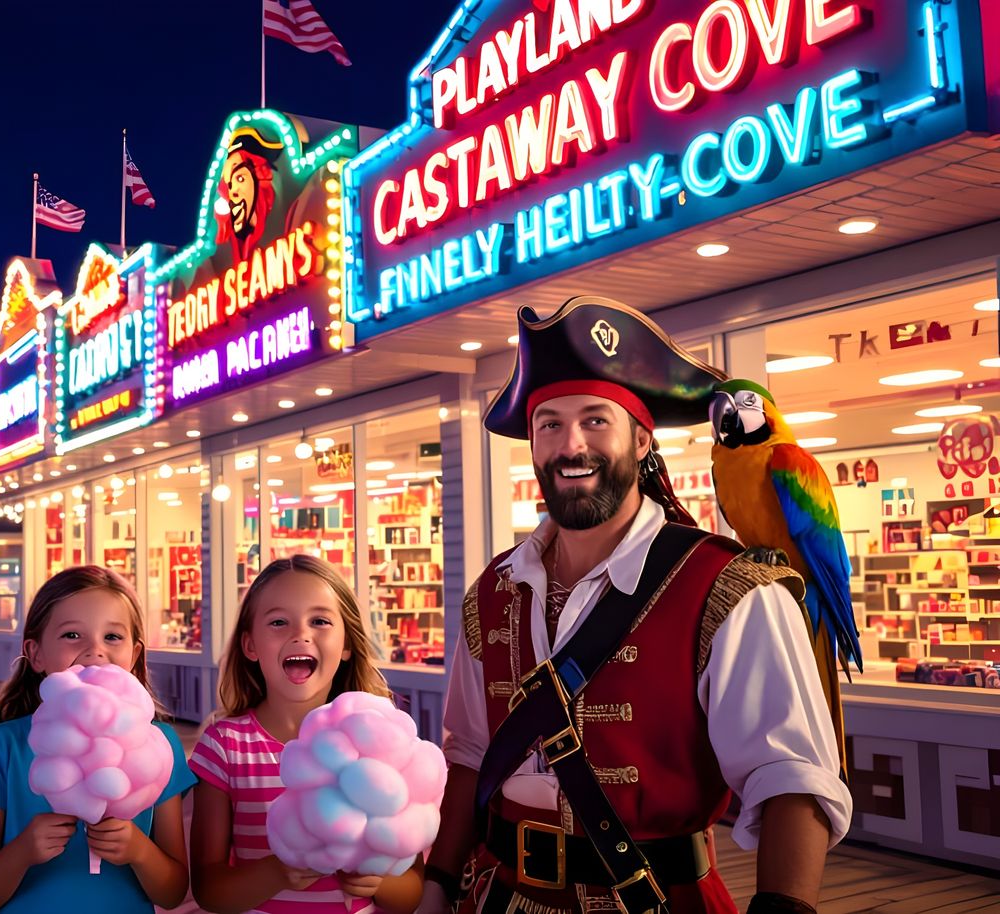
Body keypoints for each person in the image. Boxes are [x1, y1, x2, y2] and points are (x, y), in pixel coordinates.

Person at [418, 298, 851, 914]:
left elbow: (792, 781)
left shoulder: (727, 588)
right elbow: (466, 757)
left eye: (596, 421)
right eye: (550, 424)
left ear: (642, 438)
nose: (571, 446)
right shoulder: (490, 593)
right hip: (496, 899)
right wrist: (436, 887)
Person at [188, 554, 422, 913]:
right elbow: (209, 890)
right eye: (279, 622)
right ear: (250, 645)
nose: (300, 634)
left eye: (320, 621)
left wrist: (379, 882)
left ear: (346, 644)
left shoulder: (377, 742)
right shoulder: (224, 747)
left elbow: (411, 893)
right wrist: (279, 872)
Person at [0, 566, 194, 913]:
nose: (94, 651)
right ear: (36, 653)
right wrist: (21, 852)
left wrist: (139, 851)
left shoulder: (161, 745)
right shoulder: (2, 747)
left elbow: (173, 893)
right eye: (72, 635)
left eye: (112, 637)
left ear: (135, 654)